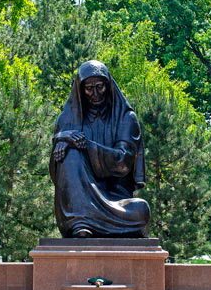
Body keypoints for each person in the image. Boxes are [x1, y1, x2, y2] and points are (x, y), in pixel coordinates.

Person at [49, 60, 150, 238]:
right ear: (80, 90)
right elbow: (58, 174)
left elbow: (123, 162)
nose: (95, 94)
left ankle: (89, 220)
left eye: (100, 87)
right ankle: (81, 223)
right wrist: (60, 138)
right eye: (89, 88)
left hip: (115, 199)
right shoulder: (67, 119)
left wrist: (85, 144)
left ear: (108, 86)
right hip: (78, 201)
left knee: (141, 209)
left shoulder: (126, 118)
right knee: (69, 154)